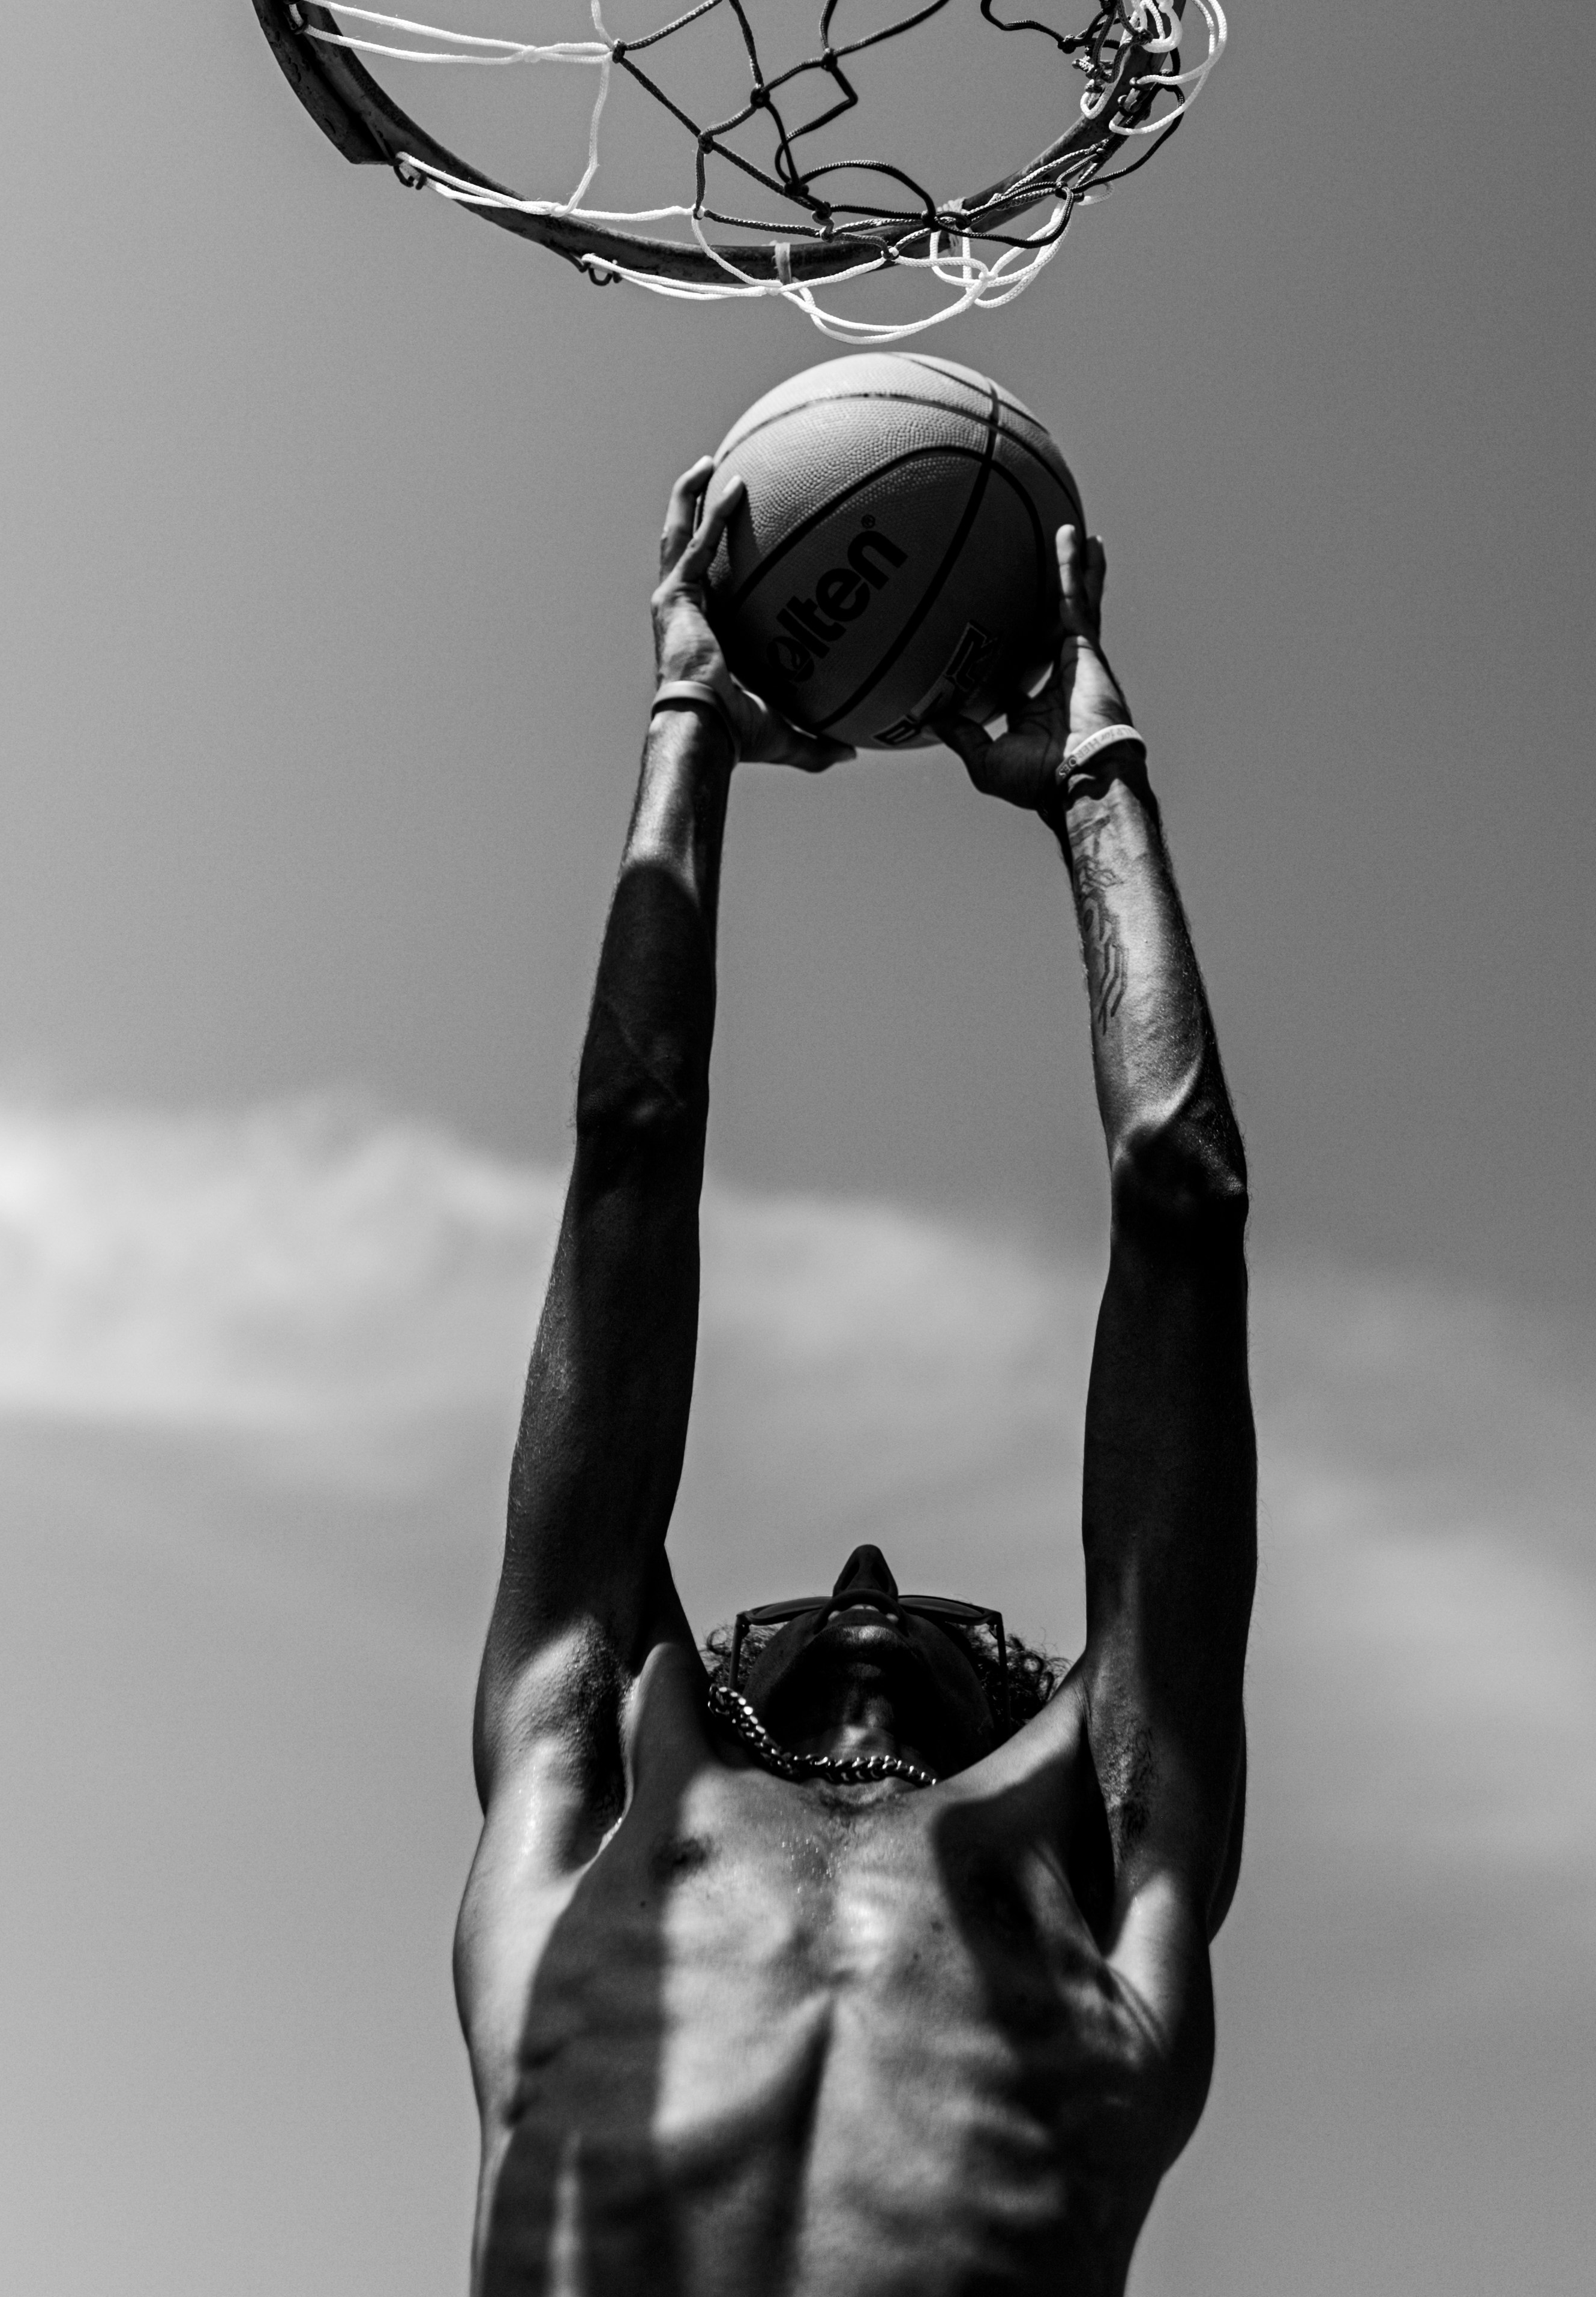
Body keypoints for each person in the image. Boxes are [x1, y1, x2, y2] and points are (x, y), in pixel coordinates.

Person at [456, 454, 1254, 2295]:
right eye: (844, 1598)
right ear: (704, 1669)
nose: (876, 1579)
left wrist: (1094, 783)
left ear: (1045, 1695)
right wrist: (689, 714)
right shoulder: (598, 1791)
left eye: (882, 1600)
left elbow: (1184, 1196)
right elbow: (629, 1131)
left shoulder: (1107, 1848)